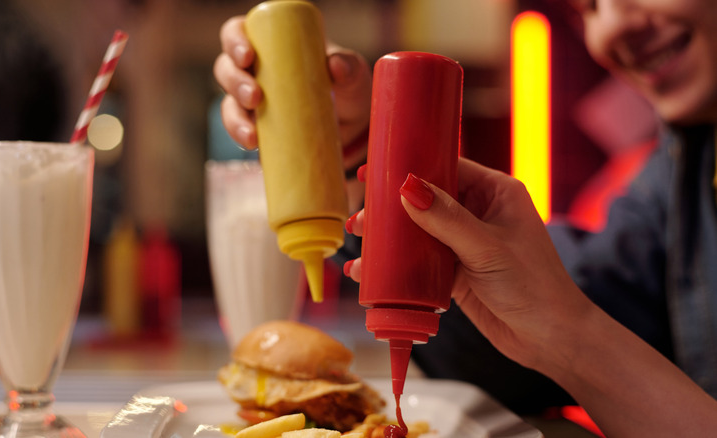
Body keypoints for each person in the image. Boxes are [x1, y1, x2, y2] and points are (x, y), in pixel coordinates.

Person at [214, 0, 717, 421]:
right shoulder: (683, 166)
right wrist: (363, 155)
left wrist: (567, 333)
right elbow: (526, 357)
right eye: (585, 5)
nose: (613, 26)